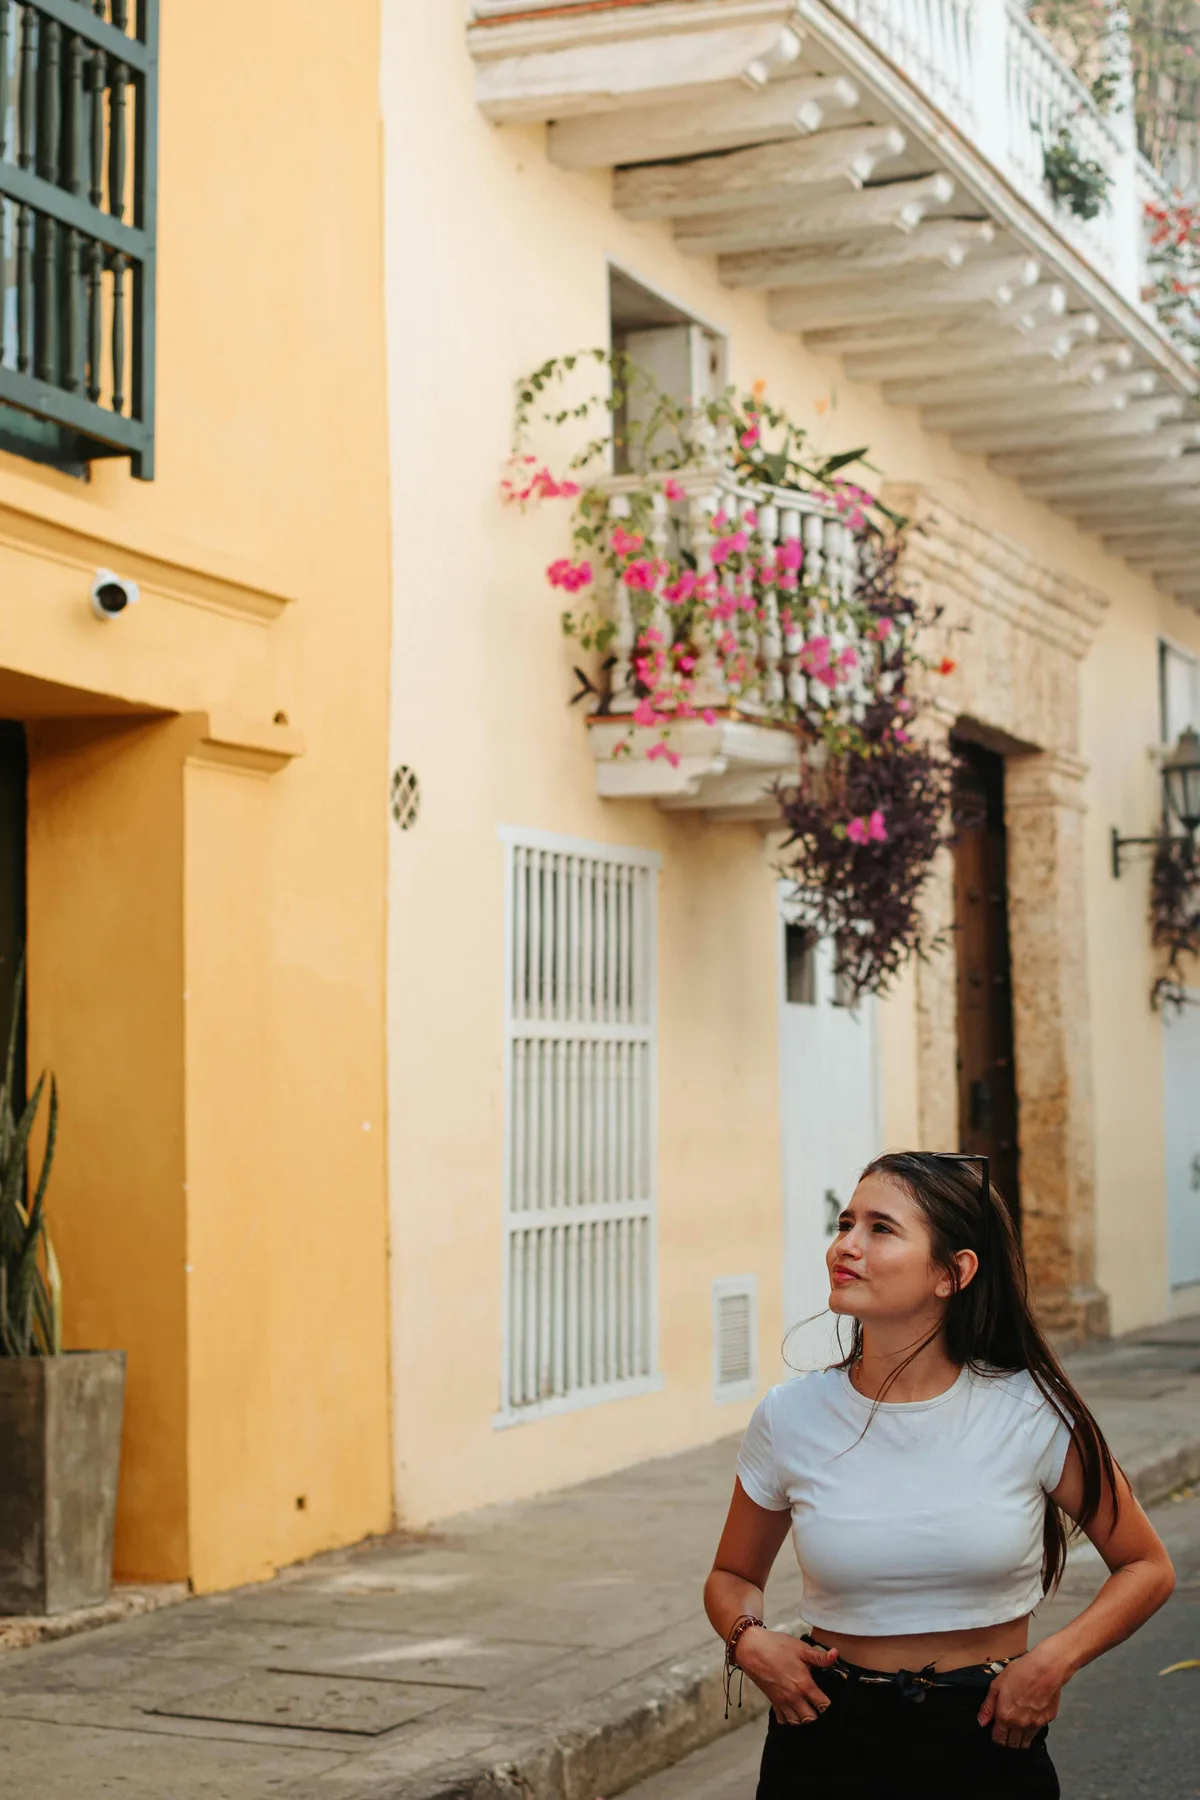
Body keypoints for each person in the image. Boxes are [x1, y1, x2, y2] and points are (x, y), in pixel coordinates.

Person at [704, 1151, 1176, 1799]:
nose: (845, 1245)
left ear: (953, 1273)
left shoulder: (1033, 1411)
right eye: (846, 1223)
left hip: (986, 1735)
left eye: (881, 1228)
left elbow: (1147, 1566)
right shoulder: (790, 1416)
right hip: (823, 1733)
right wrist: (748, 1641)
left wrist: (1051, 1664)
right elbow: (732, 1576)